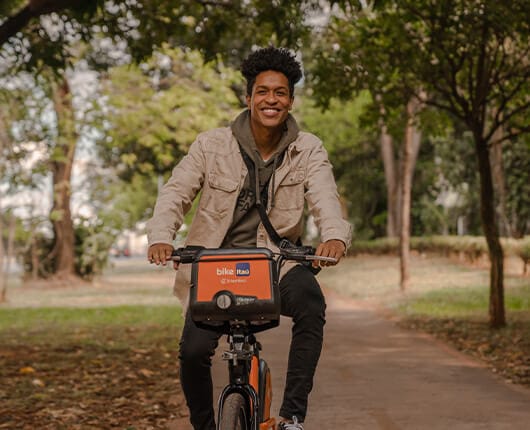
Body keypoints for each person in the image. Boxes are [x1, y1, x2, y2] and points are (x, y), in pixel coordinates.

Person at [146, 46, 352, 430]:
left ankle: (291, 418)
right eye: (262, 91)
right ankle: (206, 426)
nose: (270, 99)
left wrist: (335, 237)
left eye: (280, 92)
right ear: (249, 97)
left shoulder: (307, 149)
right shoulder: (211, 145)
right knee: (192, 352)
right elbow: (176, 193)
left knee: (310, 302)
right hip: (214, 265)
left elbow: (325, 196)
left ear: (290, 100)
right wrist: (161, 237)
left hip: (276, 263)